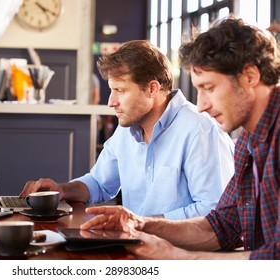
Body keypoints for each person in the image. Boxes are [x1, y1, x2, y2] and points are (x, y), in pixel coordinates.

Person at [81, 17, 280, 260]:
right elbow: (222, 225)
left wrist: (180, 258)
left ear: (249, 76)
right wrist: (139, 223)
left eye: (209, 88)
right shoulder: (248, 142)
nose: (201, 105)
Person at [20, 40, 235, 219]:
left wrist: (140, 224)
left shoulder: (201, 130)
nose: (111, 102)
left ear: (152, 88)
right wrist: (62, 190)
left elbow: (214, 210)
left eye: (120, 91)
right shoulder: (128, 128)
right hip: (137, 246)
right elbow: (99, 183)